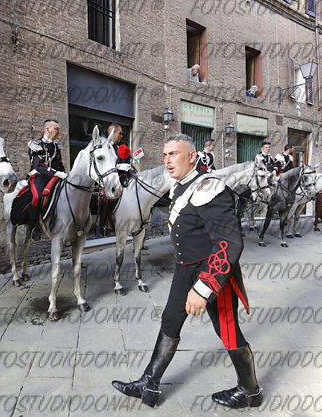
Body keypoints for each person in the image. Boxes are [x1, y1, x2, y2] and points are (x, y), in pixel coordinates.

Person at [111, 134, 262, 409]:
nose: (168, 160)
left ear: (192, 156)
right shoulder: (181, 185)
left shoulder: (209, 187)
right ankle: (149, 383)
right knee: (170, 321)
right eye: (165, 154)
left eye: (174, 154)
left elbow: (229, 243)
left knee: (228, 331)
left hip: (212, 272)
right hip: (185, 269)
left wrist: (204, 288)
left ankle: (250, 391)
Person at [26, 119, 67, 240]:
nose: (58, 132)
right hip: (39, 176)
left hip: (55, 176)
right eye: (56, 129)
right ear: (47, 129)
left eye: (58, 129)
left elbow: (59, 164)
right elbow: (37, 166)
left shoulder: (56, 146)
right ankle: (32, 227)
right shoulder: (35, 144)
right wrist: (56, 173)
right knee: (37, 196)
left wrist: (65, 174)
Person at [97, 123, 132, 237]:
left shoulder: (119, 148)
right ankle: (102, 226)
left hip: (120, 177)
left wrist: (127, 164)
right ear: (112, 133)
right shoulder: (103, 147)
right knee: (106, 197)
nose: (121, 136)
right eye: (120, 133)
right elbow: (102, 164)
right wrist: (118, 167)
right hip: (106, 179)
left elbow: (123, 161)